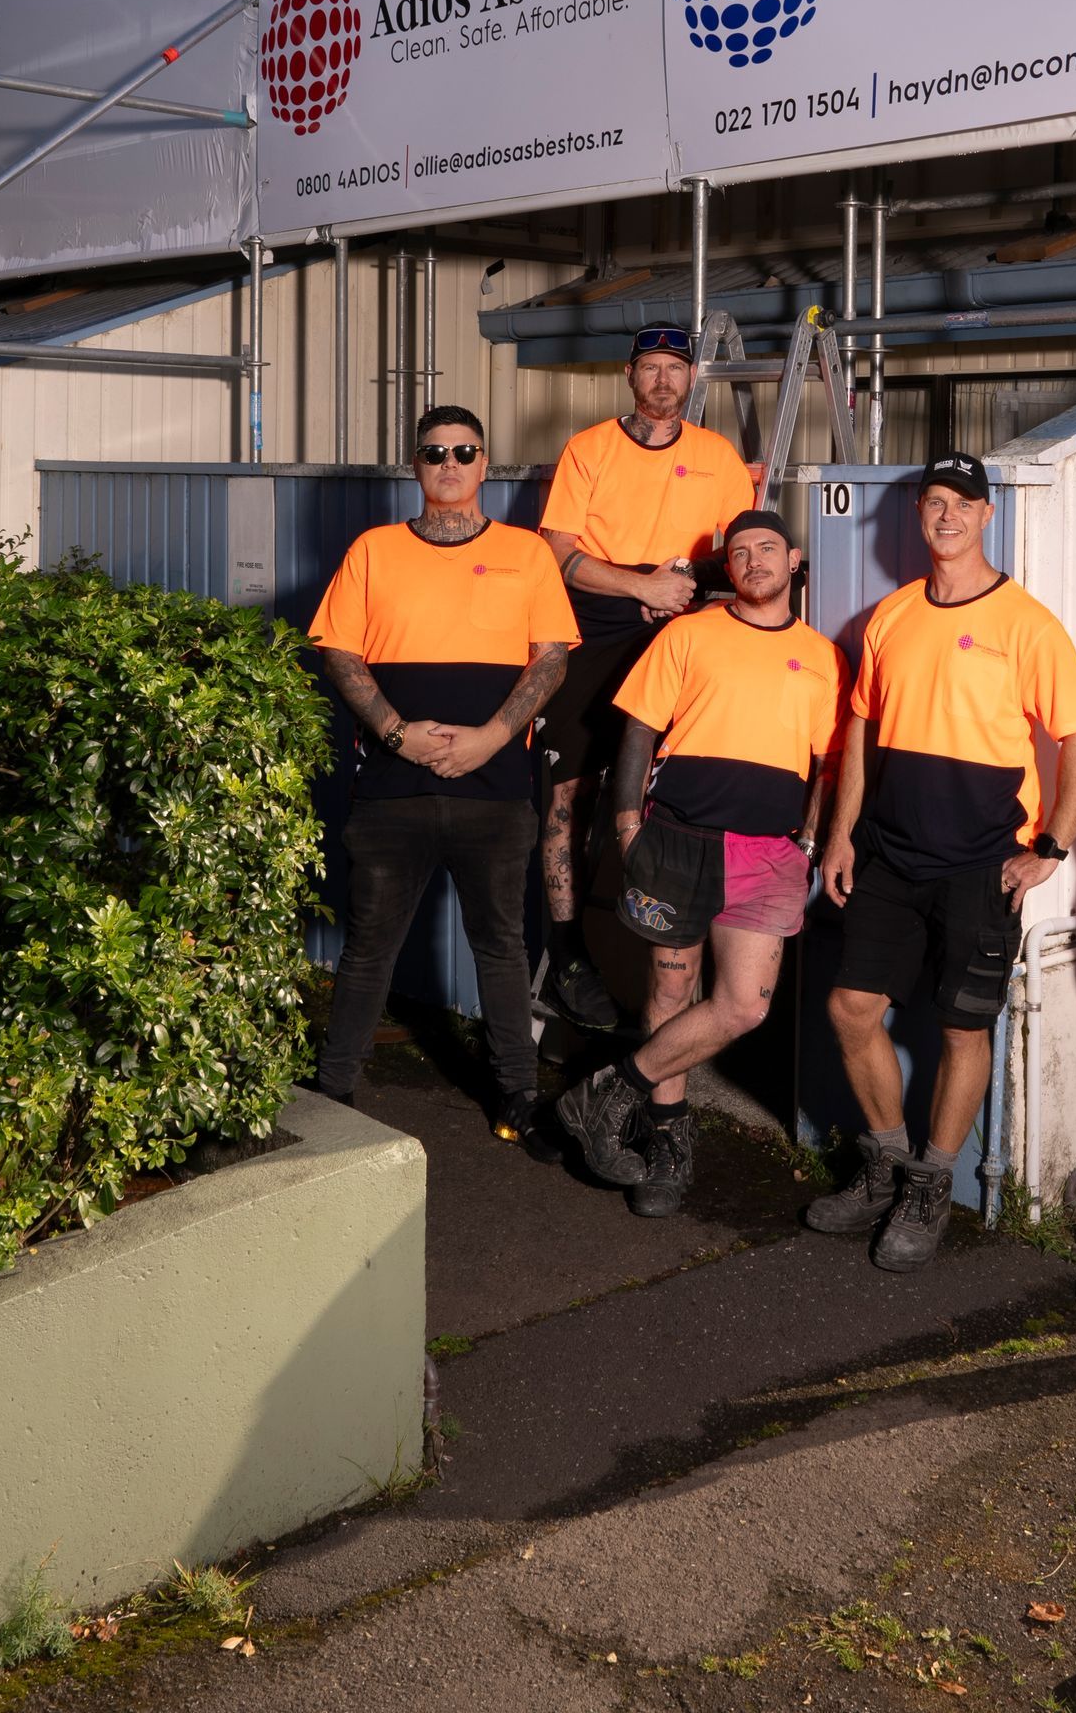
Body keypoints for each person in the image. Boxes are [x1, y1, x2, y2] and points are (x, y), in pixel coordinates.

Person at [807, 455, 1076, 1271]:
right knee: (851, 1008)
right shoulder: (890, 617)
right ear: (919, 514)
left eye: (962, 503)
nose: (946, 516)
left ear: (986, 517)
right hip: (889, 857)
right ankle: (884, 1166)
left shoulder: (1027, 624)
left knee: (962, 1026)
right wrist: (841, 835)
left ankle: (932, 1185)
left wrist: (1052, 846)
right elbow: (860, 732)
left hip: (982, 864)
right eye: (933, 502)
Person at [555, 509, 848, 1216]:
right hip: (676, 840)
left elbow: (828, 766)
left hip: (767, 853)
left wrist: (808, 843)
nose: (753, 562)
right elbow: (639, 730)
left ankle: (605, 1090)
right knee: (670, 993)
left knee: (744, 1005)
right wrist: (627, 830)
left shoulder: (822, 656)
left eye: (766, 549)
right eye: (738, 553)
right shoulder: (689, 634)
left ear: (794, 559)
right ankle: (666, 1147)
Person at [307, 404, 578, 1155]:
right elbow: (339, 653)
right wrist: (399, 734)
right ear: (416, 467)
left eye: (465, 452)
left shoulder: (526, 555)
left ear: (485, 464)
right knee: (369, 951)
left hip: (494, 793)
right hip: (393, 792)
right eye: (434, 453)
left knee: (501, 950)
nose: (450, 465)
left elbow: (552, 657)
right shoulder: (374, 550)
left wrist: (492, 737)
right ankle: (332, 1099)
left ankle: (518, 1100)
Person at [535, 323, 756, 1030]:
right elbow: (558, 551)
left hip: (678, 620)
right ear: (630, 376)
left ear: (692, 380)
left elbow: (736, 551)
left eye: (675, 369)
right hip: (597, 620)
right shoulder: (589, 448)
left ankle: (661, 959)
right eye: (650, 368)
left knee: (666, 793)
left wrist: (688, 582)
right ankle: (568, 955)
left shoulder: (717, 455)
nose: (663, 380)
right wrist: (639, 587)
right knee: (570, 792)